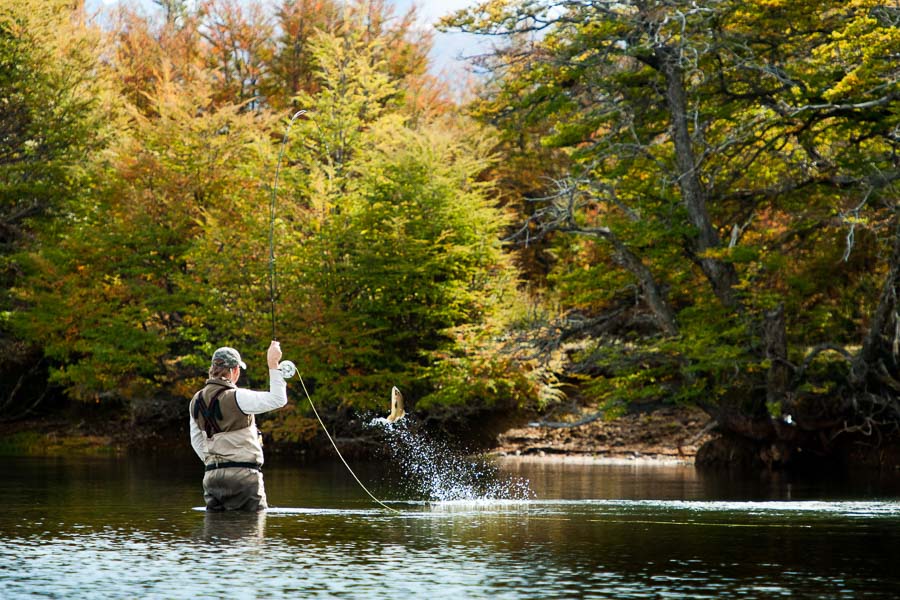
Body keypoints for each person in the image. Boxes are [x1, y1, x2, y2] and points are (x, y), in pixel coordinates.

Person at [189, 340, 288, 511]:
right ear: (234, 370)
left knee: (215, 534)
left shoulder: (195, 400)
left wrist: (214, 464)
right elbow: (278, 399)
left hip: (211, 478)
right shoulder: (238, 397)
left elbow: (196, 442)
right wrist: (273, 364)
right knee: (250, 532)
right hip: (244, 478)